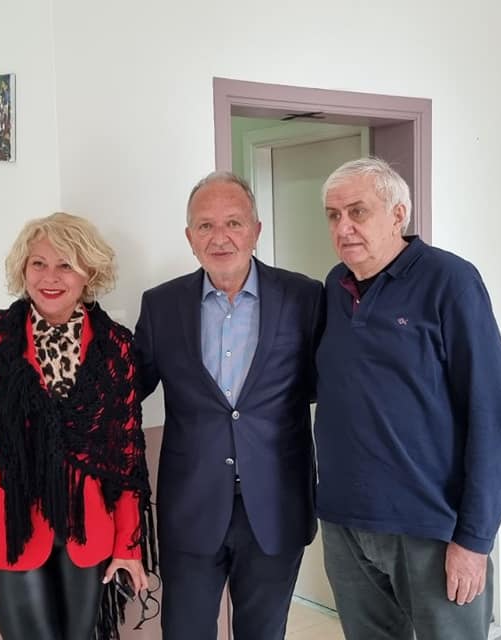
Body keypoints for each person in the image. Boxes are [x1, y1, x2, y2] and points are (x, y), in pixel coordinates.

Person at [314, 157, 501, 640]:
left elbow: (495, 421)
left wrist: (475, 539)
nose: (343, 227)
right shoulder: (333, 287)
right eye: (333, 215)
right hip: (345, 521)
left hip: (430, 527)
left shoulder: (450, 281)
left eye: (357, 212)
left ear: (398, 214)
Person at [0, 212, 157, 640]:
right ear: (23, 270)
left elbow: (126, 456)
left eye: (66, 265)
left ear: (88, 272)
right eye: (38, 263)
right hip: (9, 534)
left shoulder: (115, 347)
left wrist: (128, 545)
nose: (50, 277)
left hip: (89, 535)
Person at [134, 172, 323, 639]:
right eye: (206, 225)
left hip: (276, 505)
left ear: (256, 230)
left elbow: (330, 385)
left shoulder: (304, 297)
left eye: (234, 223)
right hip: (191, 508)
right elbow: (127, 392)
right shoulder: (161, 305)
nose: (220, 237)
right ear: (189, 237)